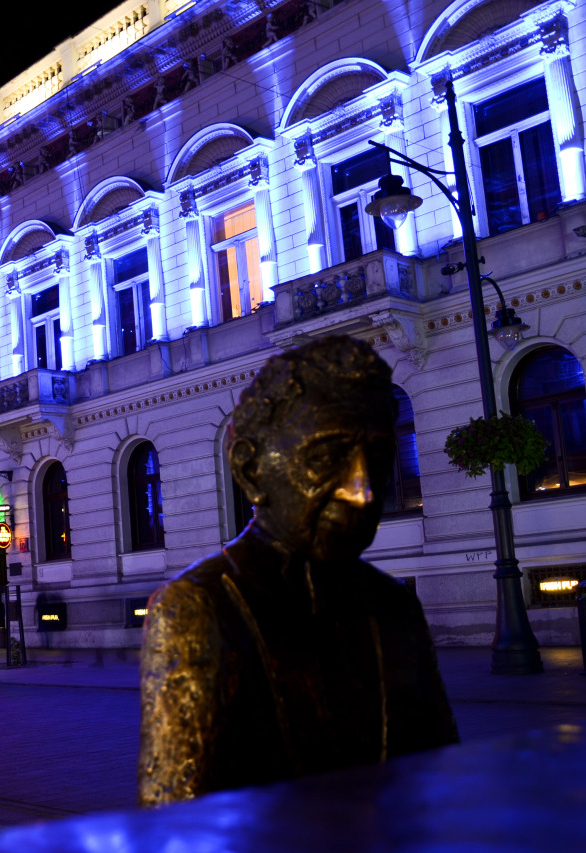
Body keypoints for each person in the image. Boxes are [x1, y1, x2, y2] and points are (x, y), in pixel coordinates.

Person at [137, 336, 459, 807]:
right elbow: (175, 824)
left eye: (378, 458)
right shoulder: (200, 608)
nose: (363, 492)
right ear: (250, 471)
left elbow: (441, 779)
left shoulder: (394, 605)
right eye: (326, 458)